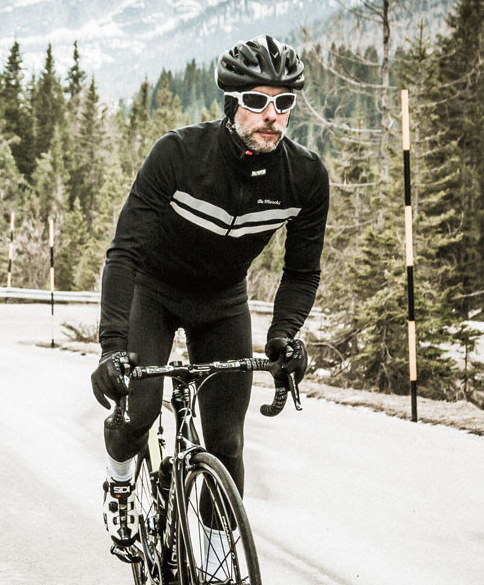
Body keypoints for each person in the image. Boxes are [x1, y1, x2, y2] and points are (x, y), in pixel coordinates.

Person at [88, 34, 325, 563]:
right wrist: (111, 346)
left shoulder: (305, 177)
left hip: (222, 302)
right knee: (138, 411)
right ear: (231, 102)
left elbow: (302, 270)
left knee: (228, 444)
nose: (272, 115)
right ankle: (121, 483)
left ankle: (219, 559)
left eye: (284, 102)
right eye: (257, 101)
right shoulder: (179, 155)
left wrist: (285, 335)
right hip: (153, 290)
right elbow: (124, 252)